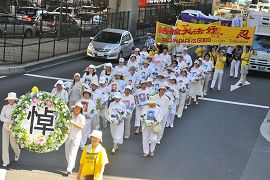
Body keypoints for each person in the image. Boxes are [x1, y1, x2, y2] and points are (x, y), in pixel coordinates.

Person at [65, 102, 85, 176]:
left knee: (73, 152)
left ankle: (69, 168)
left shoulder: (82, 117)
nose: (77, 109)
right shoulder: (69, 115)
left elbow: (82, 127)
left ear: (80, 110)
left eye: (79, 108)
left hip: (76, 136)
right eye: (76, 107)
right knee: (67, 152)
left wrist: (73, 123)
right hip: (68, 136)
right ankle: (71, 165)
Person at [1, 92, 20, 167]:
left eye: (11, 99)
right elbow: (1, 117)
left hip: (14, 129)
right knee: (4, 145)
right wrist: (8, 121)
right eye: (9, 99)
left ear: (14, 100)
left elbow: (20, 117)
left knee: (13, 144)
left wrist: (15, 122)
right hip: (5, 128)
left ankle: (17, 153)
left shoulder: (18, 107)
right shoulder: (5, 107)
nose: (10, 100)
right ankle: (5, 161)